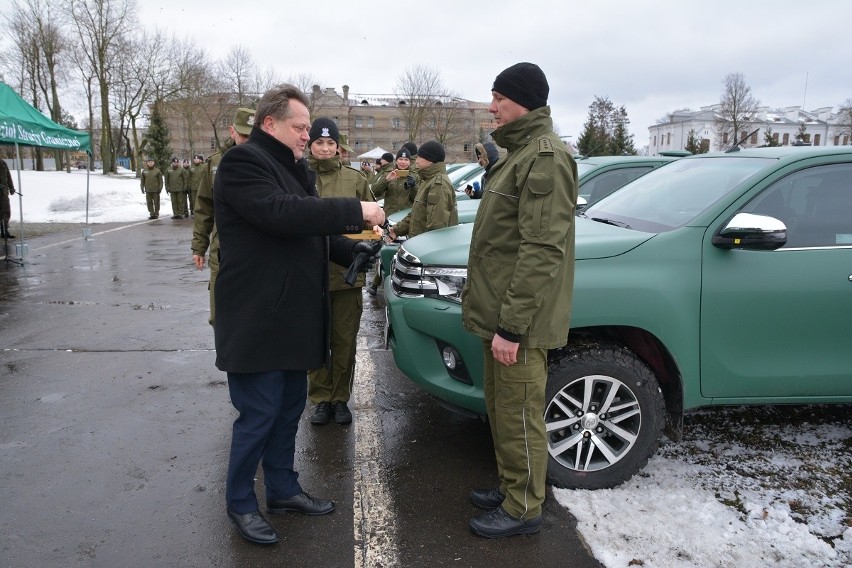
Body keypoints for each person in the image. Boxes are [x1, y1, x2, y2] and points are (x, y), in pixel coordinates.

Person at [212, 84, 385, 545]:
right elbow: (283, 215)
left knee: (288, 409)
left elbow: (309, 233)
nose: (308, 135)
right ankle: (241, 503)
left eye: (309, 128)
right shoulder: (243, 163)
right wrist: (356, 211)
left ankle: (284, 489)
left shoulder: (294, 169)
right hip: (257, 317)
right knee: (258, 415)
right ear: (270, 123)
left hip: (293, 316)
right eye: (301, 126)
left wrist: (351, 252)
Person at [460, 63, 577, 539]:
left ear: (523, 101)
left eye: (499, 99)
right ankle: (513, 486)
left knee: (520, 413)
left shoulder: (544, 157)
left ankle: (524, 508)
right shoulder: (517, 154)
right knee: (502, 409)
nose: (491, 108)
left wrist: (511, 327)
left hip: (518, 323)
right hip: (500, 317)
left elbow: (541, 250)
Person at [305, 117, 374, 426]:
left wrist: (365, 252)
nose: (324, 147)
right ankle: (320, 399)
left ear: (338, 147)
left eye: (330, 143)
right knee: (314, 340)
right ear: (310, 145)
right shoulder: (299, 178)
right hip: (309, 276)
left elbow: (372, 223)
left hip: (346, 276)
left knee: (344, 340)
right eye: (319, 142)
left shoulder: (355, 180)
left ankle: (340, 398)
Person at [191, 108, 253, 326]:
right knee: (221, 319)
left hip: (255, 256)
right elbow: (204, 207)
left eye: (252, 136)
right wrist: (199, 247)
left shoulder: (266, 162)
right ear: (232, 131)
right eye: (243, 135)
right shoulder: (215, 163)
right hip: (222, 254)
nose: (247, 141)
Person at [366, 146, 419, 295]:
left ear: (410, 161)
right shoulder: (390, 174)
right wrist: (386, 180)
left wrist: (413, 186)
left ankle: (398, 282)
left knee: (402, 252)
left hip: (406, 220)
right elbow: (374, 193)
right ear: (396, 160)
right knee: (385, 250)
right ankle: (377, 283)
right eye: (400, 159)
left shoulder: (415, 175)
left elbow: (418, 199)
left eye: (406, 159)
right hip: (389, 219)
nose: (403, 162)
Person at [387, 140, 457, 241]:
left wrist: (424, 248)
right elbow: (417, 214)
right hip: (419, 243)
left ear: (430, 160)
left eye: (420, 157)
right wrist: (396, 230)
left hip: (426, 247)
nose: (416, 161)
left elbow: (436, 225)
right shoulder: (428, 180)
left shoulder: (439, 184)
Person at [0, 157, 16, 239]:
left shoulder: (3, 163)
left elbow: (8, 176)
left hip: (4, 192)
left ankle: (4, 230)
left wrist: (11, 187)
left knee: (6, 211)